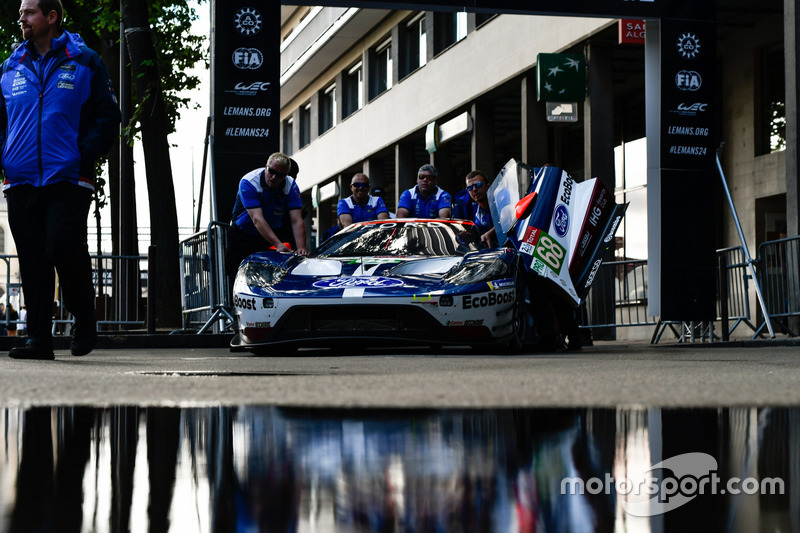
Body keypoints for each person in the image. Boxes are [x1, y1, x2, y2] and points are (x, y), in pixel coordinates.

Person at [1, 0, 120, 360]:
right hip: (20, 180)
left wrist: (81, 153)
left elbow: (108, 115)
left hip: (68, 177)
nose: (21, 16)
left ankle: (84, 321)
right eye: (21, 11)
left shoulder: (84, 61)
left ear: (51, 17)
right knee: (33, 259)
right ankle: (38, 339)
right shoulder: (10, 67)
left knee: (63, 246)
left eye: (29, 11)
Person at [225, 152, 308, 286]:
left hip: (270, 231)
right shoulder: (249, 182)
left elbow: (296, 220)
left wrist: (301, 248)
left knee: (271, 273)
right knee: (235, 272)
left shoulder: (291, 185)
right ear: (266, 167)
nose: (274, 177)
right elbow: (257, 219)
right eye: (272, 171)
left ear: (286, 176)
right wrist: (278, 244)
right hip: (242, 233)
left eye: (280, 175)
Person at [462, 170, 497, 247]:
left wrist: (490, 233)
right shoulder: (478, 215)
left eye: (478, 185)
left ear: (488, 186)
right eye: (470, 187)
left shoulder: (499, 202)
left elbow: (507, 220)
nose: (474, 189)